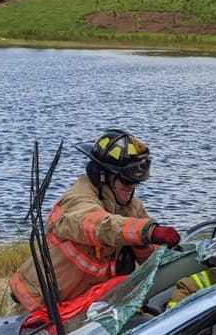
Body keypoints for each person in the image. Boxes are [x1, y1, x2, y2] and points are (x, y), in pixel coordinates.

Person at [9, 128, 182, 314]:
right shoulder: (78, 199)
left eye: (135, 183)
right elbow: (100, 226)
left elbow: (152, 260)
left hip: (80, 308)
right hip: (37, 306)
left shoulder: (131, 206)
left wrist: (143, 244)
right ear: (104, 175)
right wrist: (147, 232)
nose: (131, 188)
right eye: (125, 181)